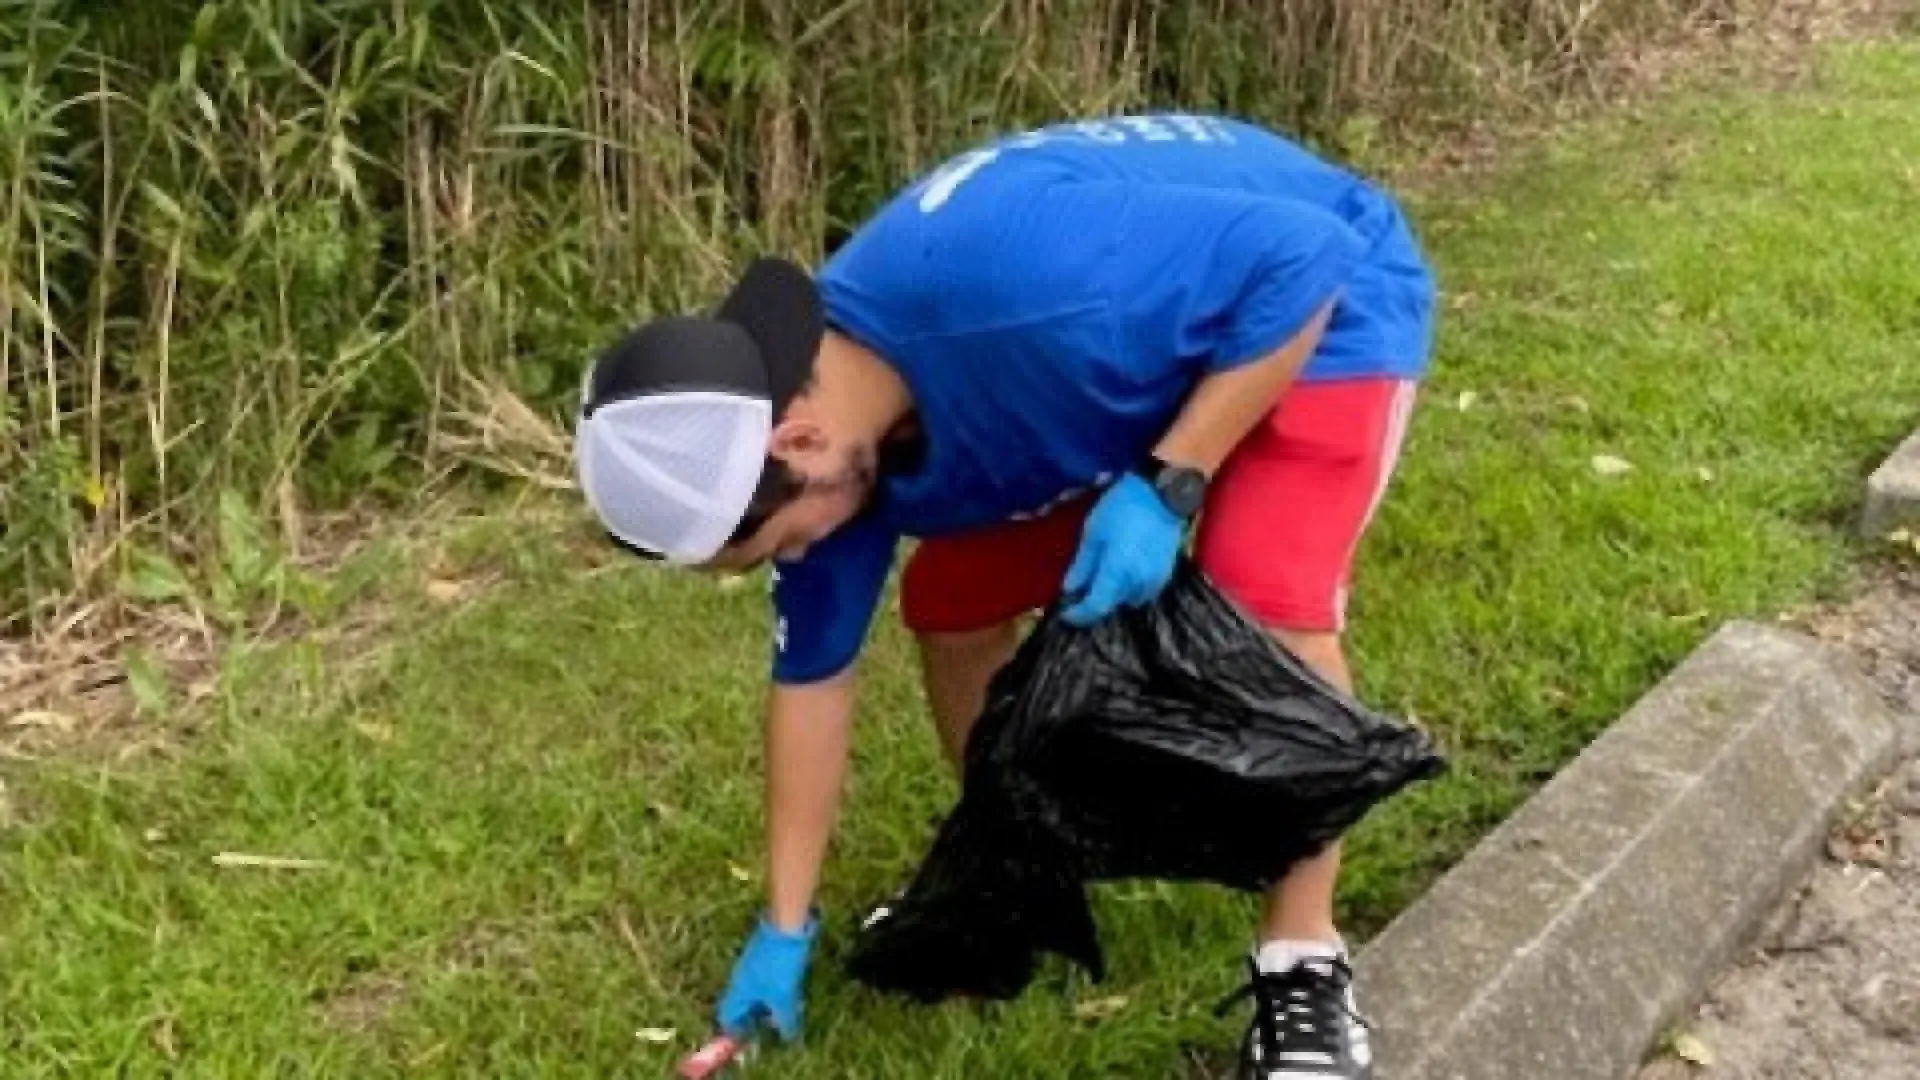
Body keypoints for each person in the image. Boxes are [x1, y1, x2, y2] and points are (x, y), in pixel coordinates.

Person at [572, 110, 1436, 1080]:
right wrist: (785, 923)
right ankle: (1021, 871)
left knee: (1265, 605)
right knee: (950, 602)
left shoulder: (1030, 293)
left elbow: (1302, 258)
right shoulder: (830, 430)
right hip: (1142, 351)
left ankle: (1302, 964)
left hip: (1327, 303)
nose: (801, 554)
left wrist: (1169, 482)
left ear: (795, 442)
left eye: (781, 541)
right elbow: (811, 679)